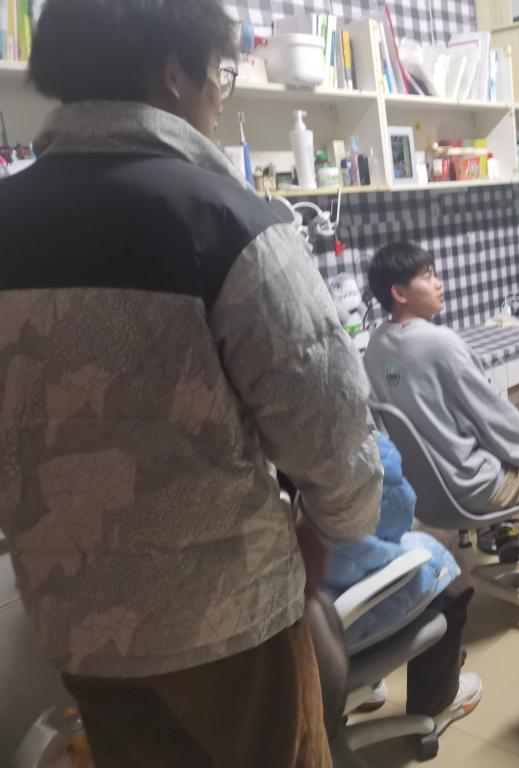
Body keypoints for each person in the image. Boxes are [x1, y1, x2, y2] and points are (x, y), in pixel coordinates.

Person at [0, 1, 384, 765]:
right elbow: (336, 442)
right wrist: (326, 533)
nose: (218, 97)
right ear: (173, 71)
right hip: (228, 627)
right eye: (220, 75)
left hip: (77, 622)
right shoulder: (229, 221)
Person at [364, 242, 519, 554]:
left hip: (422, 495)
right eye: (427, 276)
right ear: (399, 293)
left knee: (503, 443)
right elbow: (495, 419)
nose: (438, 284)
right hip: (471, 488)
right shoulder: (439, 343)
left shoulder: (376, 345)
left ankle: (506, 532)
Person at [319, 433, 481, 733]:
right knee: (445, 556)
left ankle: (359, 692)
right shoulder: (336, 439)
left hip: (272, 647)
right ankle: (438, 702)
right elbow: (397, 510)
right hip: (331, 628)